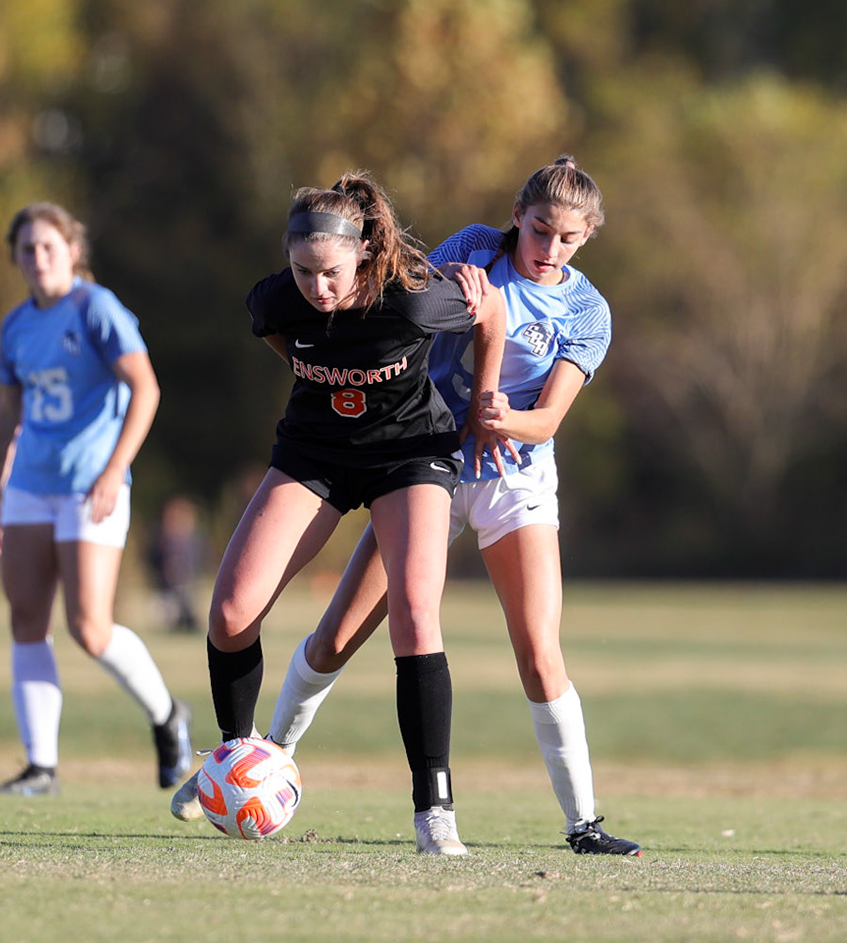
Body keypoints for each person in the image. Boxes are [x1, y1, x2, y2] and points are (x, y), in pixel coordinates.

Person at [264, 157, 642, 856]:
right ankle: (260, 763)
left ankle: (583, 823)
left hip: (513, 479)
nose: (548, 247)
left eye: (567, 238)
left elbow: (548, 419)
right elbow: (399, 305)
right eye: (539, 229)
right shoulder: (471, 246)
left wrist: (505, 419)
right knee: (337, 635)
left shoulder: (588, 311)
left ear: (588, 237)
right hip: (420, 463)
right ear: (517, 215)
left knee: (538, 650)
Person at [170, 171, 506, 856]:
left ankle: (433, 810)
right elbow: (279, 338)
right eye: (303, 272)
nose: (317, 288)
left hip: (410, 456)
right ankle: (238, 763)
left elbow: (492, 313)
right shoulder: (276, 301)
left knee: (414, 612)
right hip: (315, 454)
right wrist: (321, 376)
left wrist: (483, 405)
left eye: (330, 274)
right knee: (232, 612)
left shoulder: (414, 303)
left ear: (363, 256)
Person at [0, 202, 192, 797]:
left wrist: (112, 470)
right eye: (27, 249)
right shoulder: (17, 325)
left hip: (89, 487)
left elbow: (145, 389)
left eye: (49, 247)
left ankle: (167, 714)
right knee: (26, 619)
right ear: (16, 258)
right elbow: (7, 417)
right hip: (28, 488)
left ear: (73, 250)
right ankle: (40, 766)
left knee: (90, 629)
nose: (38, 258)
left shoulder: (95, 309)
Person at [149, 496, 204, 633]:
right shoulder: (160, 542)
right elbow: (153, 561)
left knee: (187, 608)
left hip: (186, 585)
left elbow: (200, 561)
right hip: (167, 588)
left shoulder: (193, 542)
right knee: (171, 611)